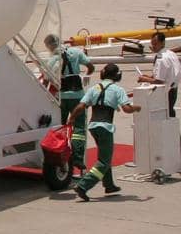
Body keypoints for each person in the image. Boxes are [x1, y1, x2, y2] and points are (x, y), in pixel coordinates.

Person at [68, 62, 141, 201]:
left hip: (93, 126)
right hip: (105, 127)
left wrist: (71, 118)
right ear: (116, 75)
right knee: (104, 161)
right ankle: (83, 186)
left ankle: (109, 185)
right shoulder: (117, 89)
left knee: (104, 155)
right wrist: (136, 108)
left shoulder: (94, 88)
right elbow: (126, 109)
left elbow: (81, 106)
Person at [45, 33, 91, 174]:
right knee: (79, 128)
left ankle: (60, 154)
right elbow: (91, 66)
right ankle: (77, 157)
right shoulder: (76, 52)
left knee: (60, 128)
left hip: (61, 98)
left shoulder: (52, 60)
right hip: (78, 96)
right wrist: (87, 75)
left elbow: (47, 80)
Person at [138, 32, 179, 119]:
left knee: (164, 116)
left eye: (155, 44)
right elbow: (167, 74)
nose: (153, 46)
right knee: (170, 113)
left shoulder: (161, 59)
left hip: (166, 92)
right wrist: (149, 77)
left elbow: (159, 81)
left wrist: (144, 79)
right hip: (173, 89)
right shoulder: (171, 54)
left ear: (162, 43)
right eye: (152, 44)